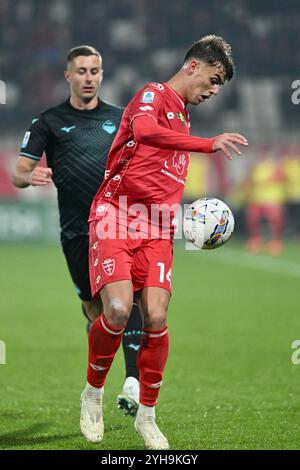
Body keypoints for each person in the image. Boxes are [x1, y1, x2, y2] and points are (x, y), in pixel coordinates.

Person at [80, 35, 248, 449]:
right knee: (117, 310)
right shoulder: (152, 94)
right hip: (116, 215)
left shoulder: (185, 115)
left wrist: (188, 222)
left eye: (219, 86)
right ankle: (93, 394)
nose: (212, 90)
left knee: (156, 315)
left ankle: (148, 417)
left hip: (157, 227)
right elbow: (145, 132)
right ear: (193, 66)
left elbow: (161, 177)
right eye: (213, 79)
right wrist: (207, 144)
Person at [12, 46, 142, 416]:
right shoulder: (48, 121)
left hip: (116, 227)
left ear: (102, 74)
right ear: (68, 76)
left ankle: (132, 381)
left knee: (127, 299)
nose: (89, 77)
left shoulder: (122, 119)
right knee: (94, 309)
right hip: (76, 234)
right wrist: (29, 176)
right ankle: (99, 375)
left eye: (95, 70)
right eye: (81, 71)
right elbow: (18, 171)